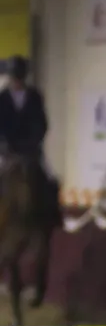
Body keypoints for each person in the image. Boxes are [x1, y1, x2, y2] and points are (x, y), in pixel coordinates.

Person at [0, 55, 58, 215]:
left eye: (19, 77)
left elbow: (42, 124)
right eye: (14, 77)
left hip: (31, 151)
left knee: (49, 182)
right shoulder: (2, 98)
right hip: (8, 152)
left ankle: (52, 216)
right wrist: (5, 145)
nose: (17, 81)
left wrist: (33, 142)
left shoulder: (35, 96)